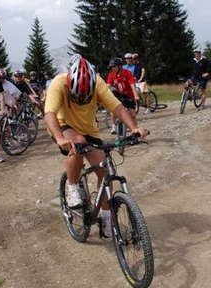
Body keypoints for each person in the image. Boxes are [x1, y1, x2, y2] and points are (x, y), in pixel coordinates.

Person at [44, 54, 148, 236]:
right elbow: (50, 113)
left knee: (105, 170)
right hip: (63, 126)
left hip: (89, 130)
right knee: (78, 143)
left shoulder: (98, 83)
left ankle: (107, 218)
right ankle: (73, 187)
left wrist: (134, 128)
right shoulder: (58, 83)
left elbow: (117, 108)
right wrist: (60, 138)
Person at [107, 57, 139, 134]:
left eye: (114, 66)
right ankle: (113, 126)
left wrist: (136, 95)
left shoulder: (127, 73)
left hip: (128, 94)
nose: (113, 69)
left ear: (119, 66)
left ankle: (135, 131)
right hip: (118, 94)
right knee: (113, 107)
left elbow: (132, 84)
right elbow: (107, 85)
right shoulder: (112, 75)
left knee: (133, 114)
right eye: (111, 67)